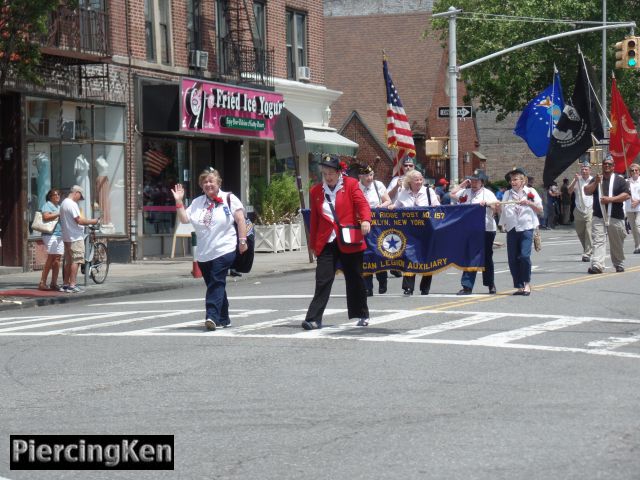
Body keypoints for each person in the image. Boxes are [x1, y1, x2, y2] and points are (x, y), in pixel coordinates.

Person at [172, 169, 247, 331]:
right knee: (215, 284)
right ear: (201, 186)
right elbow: (185, 220)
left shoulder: (229, 198)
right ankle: (224, 318)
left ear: (218, 183)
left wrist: (242, 240)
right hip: (205, 253)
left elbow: (240, 220)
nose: (208, 184)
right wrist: (179, 202)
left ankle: (211, 316)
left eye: (211, 181)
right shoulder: (198, 202)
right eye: (205, 182)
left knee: (216, 281)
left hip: (225, 248)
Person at [302, 155, 372, 330]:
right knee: (322, 279)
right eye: (325, 173)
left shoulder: (351, 185)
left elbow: (362, 204)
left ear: (339, 172)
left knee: (355, 278)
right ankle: (313, 318)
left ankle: (361, 313)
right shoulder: (316, 191)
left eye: (331, 173)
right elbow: (315, 220)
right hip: (327, 241)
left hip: (349, 239)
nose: (328, 177)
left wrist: (365, 220)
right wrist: (313, 244)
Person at [390, 169, 440, 295]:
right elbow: (396, 206)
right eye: (416, 180)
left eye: (420, 179)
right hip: (409, 231)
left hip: (427, 230)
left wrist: (433, 208)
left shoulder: (429, 191)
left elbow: (438, 207)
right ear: (409, 181)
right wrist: (389, 208)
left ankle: (425, 287)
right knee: (409, 257)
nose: (419, 182)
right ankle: (408, 287)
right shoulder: (403, 193)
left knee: (427, 257)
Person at [450, 170, 499, 295]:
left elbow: (497, 208)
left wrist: (488, 204)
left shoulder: (488, 193)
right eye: (472, 180)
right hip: (470, 229)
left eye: (476, 180)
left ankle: (490, 284)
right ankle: (467, 286)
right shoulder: (465, 192)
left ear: (482, 182)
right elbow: (452, 194)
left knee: (487, 257)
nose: (473, 182)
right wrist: (462, 184)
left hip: (486, 228)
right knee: (470, 255)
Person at [498, 167, 543, 296]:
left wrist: (528, 203)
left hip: (526, 227)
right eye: (511, 180)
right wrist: (500, 218)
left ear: (523, 180)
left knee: (524, 256)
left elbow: (539, 209)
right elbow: (502, 209)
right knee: (512, 258)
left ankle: (527, 283)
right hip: (512, 228)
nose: (513, 182)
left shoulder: (531, 192)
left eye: (515, 179)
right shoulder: (507, 194)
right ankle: (519, 286)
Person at [583, 156, 631, 273]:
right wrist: (596, 183)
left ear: (613, 166)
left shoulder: (620, 180)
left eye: (609, 164)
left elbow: (627, 195)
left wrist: (611, 199)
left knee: (616, 242)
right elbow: (586, 191)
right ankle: (597, 265)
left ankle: (618, 263)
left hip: (615, 216)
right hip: (599, 216)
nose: (607, 166)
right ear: (602, 165)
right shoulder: (597, 178)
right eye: (605, 164)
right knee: (598, 240)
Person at [59, 185, 100, 293]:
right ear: (76, 193)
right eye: (80, 196)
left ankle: (65, 284)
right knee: (76, 260)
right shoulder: (72, 204)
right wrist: (93, 221)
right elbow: (79, 221)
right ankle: (72, 285)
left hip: (67, 236)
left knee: (69, 261)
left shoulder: (64, 203)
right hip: (75, 236)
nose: (80, 199)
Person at [358, 164, 392, 296]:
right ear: (360, 176)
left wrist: (380, 206)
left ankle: (382, 279)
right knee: (365, 255)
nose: (369, 178)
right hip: (362, 223)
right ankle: (367, 287)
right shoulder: (356, 187)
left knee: (378, 252)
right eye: (366, 175)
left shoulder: (378, 185)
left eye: (371, 174)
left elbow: (388, 201)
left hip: (377, 223)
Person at [38, 189, 63, 291]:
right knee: (51, 257)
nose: (57, 196)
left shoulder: (59, 207)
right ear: (50, 197)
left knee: (57, 259)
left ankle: (54, 283)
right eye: (55, 195)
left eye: (58, 194)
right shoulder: (47, 205)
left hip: (59, 234)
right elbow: (46, 216)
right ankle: (42, 283)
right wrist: (58, 214)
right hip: (49, 234)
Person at [567, 162, 594, 262]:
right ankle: (587, 249)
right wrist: (575, 181)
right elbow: (569, 191)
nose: (584, 171)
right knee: (580, 232)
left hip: (590, 207)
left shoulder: (593, 180)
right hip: (578, 208)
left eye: (586, 169)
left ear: (589, 170)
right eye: (582, 169)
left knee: (588, 230)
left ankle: (587, 252)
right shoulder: (577, 180)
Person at [626, 163, 640, 254]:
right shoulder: (627, 182)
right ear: (630, 172)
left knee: (638, 225)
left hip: (639, 208)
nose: (634, 172)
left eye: (636, 170)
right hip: (629, 208)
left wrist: (638, 201)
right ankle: (637, 246)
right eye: (632, 170)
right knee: (634, 228)